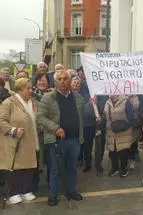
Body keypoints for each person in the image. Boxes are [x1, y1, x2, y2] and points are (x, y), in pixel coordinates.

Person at [37, 69, 84, 206]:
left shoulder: (78, 97)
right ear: (55, 81)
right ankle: (53, 195)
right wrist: (55, 128)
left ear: (70, 81)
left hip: (74, 139)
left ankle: (70, 191)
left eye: (65, 79)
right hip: (57, 141)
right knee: (55, 169)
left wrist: (93, 103)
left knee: (72, 168)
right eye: (60, 79)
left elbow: (83, 115)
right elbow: (40, 117)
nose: (63, 81)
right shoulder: (48, 97)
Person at [0, 78, 38, 204]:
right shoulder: (9, 102)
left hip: (31, 140)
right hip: (15, 141)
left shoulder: (32, 102)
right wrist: (13, 130)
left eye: (31, 88)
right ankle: (13, 192)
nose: (30, 90)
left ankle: (26, 190)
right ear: (20, 89)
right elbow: (1, 120)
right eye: (28, 88)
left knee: (29, 166)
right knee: (16, 168)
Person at [105, 95, 133, 178]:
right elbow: (105, 115)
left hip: (123, 130)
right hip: (111, 131)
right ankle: (115, 168)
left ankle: (124, 169)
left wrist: (125, 125)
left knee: (123, 150)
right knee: (113, 150)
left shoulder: (125, 101)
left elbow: (130, 116)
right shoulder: (107, 102)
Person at [128, 95, 141, 170]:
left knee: (133, 142)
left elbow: (137, 107)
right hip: (125, 123)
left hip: (134, 123)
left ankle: (132, 160)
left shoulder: (136, 97)